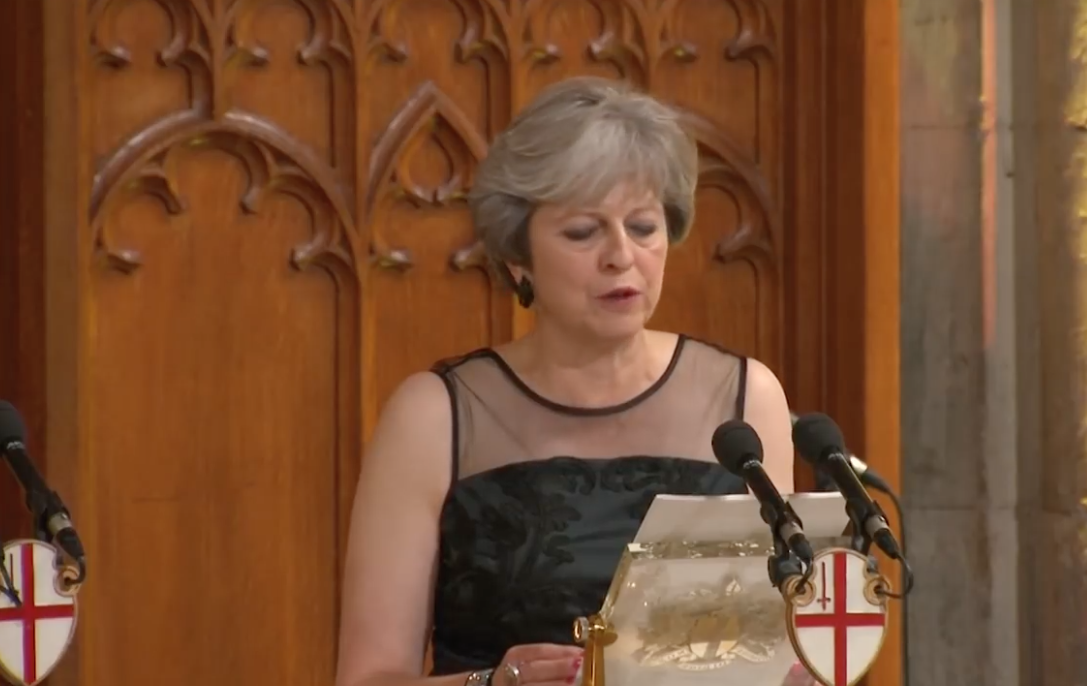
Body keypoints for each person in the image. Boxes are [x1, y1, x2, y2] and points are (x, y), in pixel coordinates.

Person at [335, 76, 797, 686]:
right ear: (517, 257)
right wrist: (495, 684)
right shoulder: (434, 416)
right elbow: (367, 678)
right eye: (583, 232)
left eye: (643, 227)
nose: (621, 256)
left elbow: (773, 646)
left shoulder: (745, 400)